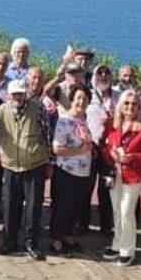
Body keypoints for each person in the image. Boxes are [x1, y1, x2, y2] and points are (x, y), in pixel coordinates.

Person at [0, 78, 51, 260]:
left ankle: (31, 244)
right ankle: (9, 241)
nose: (17, 96)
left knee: (33, 208)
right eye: (14, 93)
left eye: (20, 93)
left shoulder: (38, 108)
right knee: (10, 207)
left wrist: (50, 162)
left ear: (25, 93)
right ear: (9, 95)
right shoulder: (1, 111)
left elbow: (48, 134)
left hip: (34, 165)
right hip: (10, 166)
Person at [102, 90, 141, 266]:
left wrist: (132, 157)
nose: (130, 107)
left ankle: (128, 250)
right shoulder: (113, 123)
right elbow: (105, 146)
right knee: (116, 210)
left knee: (126, 211)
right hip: (114, 173)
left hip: (134, 176)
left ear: (139, 107)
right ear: (121, 105)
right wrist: (111, 154)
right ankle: (117, 245)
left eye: (134, 104)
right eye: (126, 103)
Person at [49, 84, 92, 256]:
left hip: (83, 172)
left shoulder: (84, 119)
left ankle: (67, 235)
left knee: (75, 206)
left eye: (85, 98)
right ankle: (55, 239)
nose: (81, 101)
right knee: (62, 206)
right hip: (66, 171)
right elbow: (57, 149)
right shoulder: (64, 120)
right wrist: (80, 151)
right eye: (78, 98)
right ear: (72, 100)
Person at [80, 65, 120, 235]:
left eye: (107, 72)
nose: (103, 76)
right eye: (100, 73)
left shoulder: (118, 96)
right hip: (91, 147)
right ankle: (82, 224)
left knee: (106, 188)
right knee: (86, 188)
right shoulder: (87, 95)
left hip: (110, 150)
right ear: (94, 76)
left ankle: (106, 226)